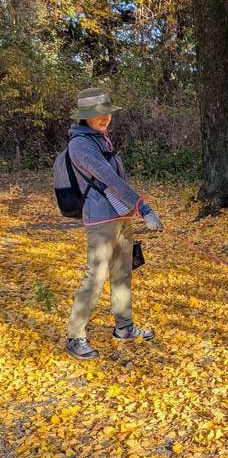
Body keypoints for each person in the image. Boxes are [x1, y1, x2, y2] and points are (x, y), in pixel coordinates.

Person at [64, 88, 164, 360]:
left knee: (122, 274)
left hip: (121, 217)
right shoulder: (80, 145)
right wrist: (143, 208)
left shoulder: (102, 139)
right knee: (95, 277)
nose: (105, 117)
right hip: (100, 219)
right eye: (98, 114)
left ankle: (124, 327)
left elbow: (118, 181)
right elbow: (109, 178)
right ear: (85, 117)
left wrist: (133, 210)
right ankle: (75, 337)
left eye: (107, 113)